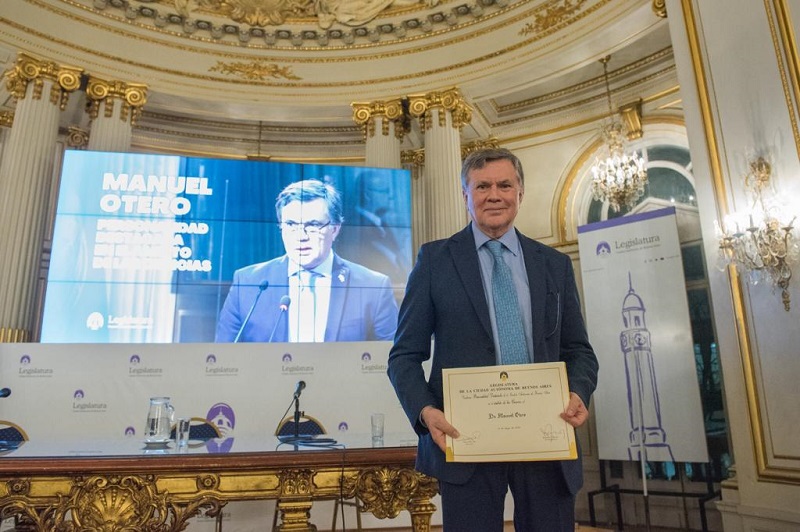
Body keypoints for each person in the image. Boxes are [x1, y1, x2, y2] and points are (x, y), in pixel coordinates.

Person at [387, 148, 599, 531]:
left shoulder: (554, 265)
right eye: (482, 186)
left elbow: (579, 351)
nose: (494, 195)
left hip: (546, 436)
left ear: (520, 192)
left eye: (504, 184)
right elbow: (403, 356)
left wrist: (579, 392)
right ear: (466, 196)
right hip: (465, 440)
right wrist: (426, 411)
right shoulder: (435, 261)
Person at [215, 179, 398, 343]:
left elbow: (392, 359)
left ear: (334, 229)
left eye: (313, 225)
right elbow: (224, 358)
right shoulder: (248, 282)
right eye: (291, 225)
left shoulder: (374, 286)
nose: (301, 236)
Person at [337, 169, 412, 300]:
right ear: (367, 194)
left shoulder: (382, 224)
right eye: (384, 191)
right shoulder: (351, 228)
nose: (391, 196)